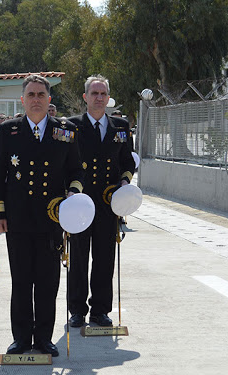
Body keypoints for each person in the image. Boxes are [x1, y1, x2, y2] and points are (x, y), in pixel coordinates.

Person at [0, 75, 84, 357]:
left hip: (50, 219)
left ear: (48, 99)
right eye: (30, 94)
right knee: (20, 281)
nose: (35, 99)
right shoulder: (9, 131)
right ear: (23, 99)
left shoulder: (65, 131)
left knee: (47, 281)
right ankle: (21, 339)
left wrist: (72, 193)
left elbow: (76, 171)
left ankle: (44, 338)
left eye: (41, 94)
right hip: (18, 218)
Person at [68, 75, 136, 328]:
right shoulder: (71, 126)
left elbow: (128, 161)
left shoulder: (120, 125)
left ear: (108, 98)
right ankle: (76, 310)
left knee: (105, 257)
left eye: (103, 93)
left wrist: (125, 182)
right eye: (94, 93)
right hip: (81, 202)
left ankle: (100, 310)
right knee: (78, 257)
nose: (99, 98)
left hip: (109, 203)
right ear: (85, 97)